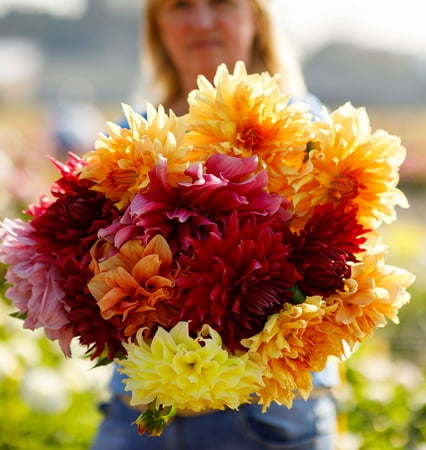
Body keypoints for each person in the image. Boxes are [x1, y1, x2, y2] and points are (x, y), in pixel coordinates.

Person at [91, 1, 339, 449]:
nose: (202, 21)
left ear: (257, 17)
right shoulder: (132, 132)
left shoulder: (304, 125)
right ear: (157, 28)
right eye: (181, 6)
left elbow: (342, 272)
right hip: (137, 411)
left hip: (265, 420)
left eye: (221, 2)